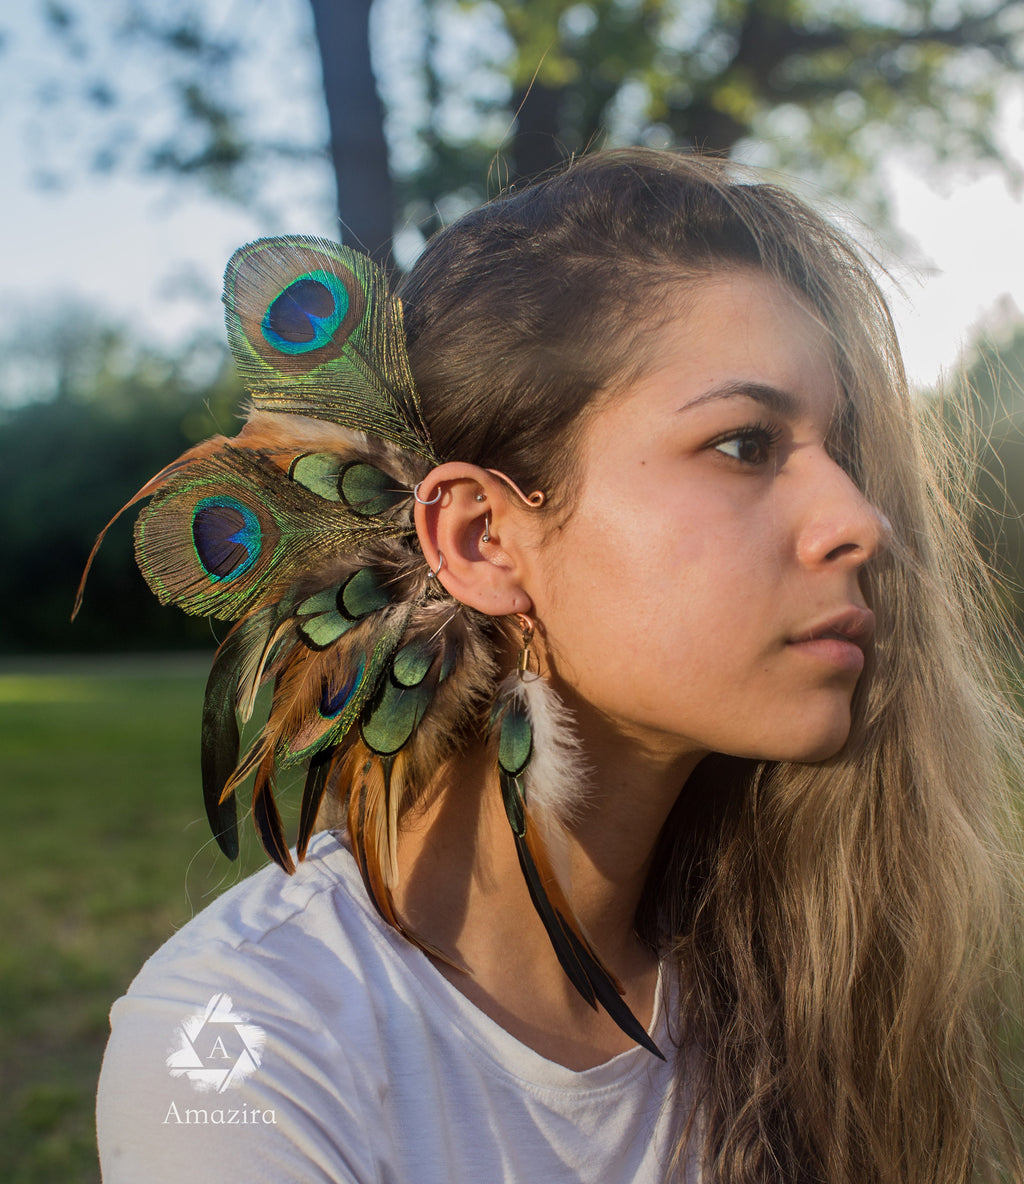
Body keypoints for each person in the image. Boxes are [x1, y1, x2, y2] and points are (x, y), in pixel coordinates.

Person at [95, 148, 1024, 1183]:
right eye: (744, 444)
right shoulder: (245, 1054)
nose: (860, 521)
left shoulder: (808, 970)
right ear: (483, 537)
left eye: (839, 453)